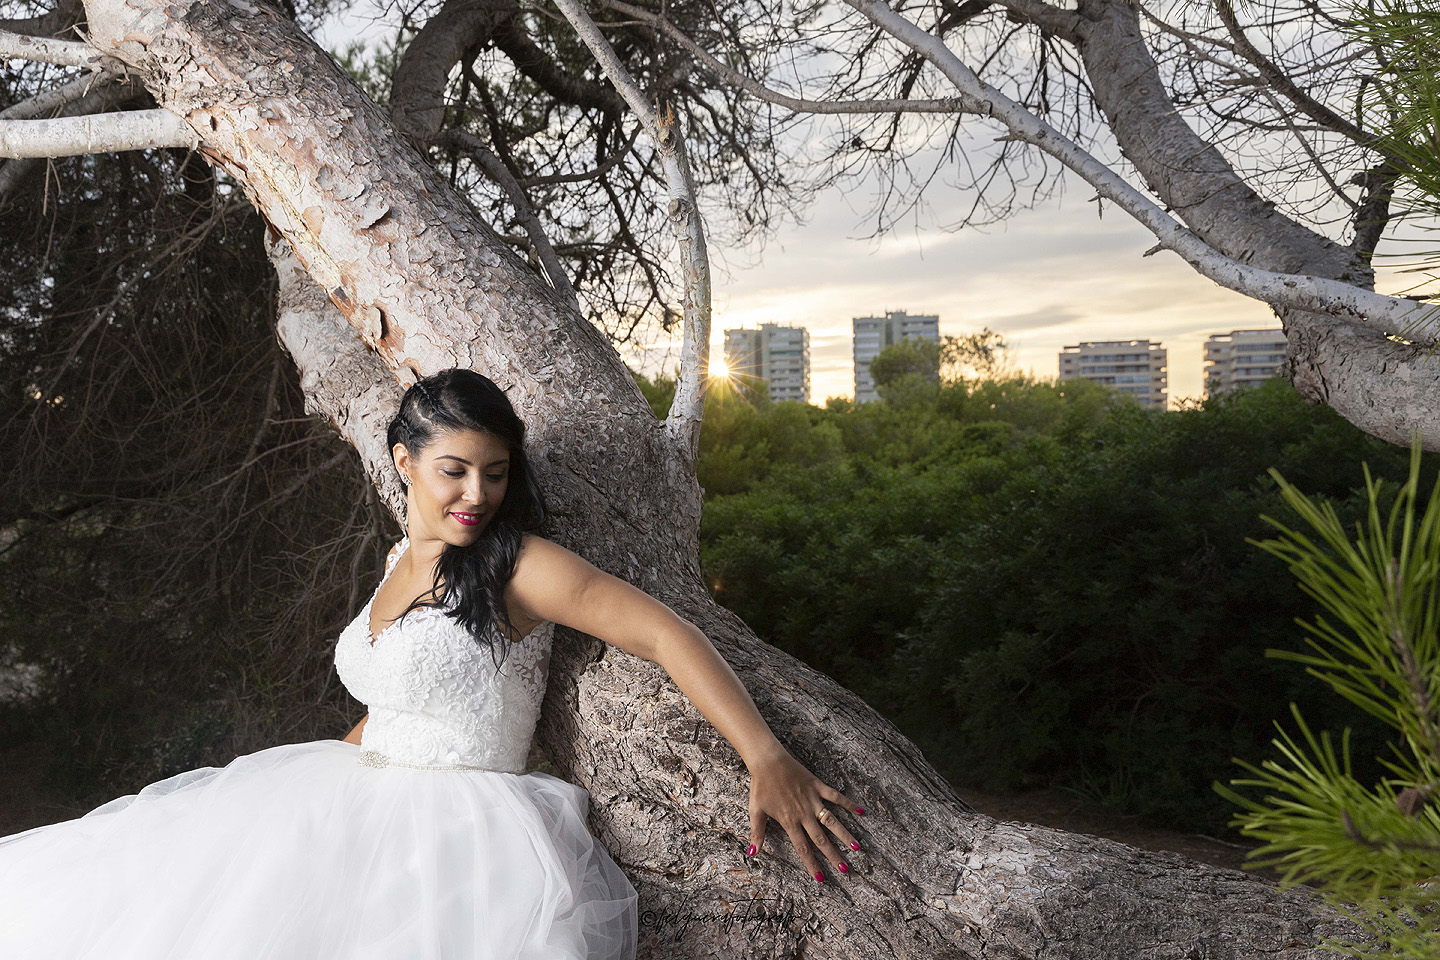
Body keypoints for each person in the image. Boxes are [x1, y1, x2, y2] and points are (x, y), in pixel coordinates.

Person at [0, 367, 867, 958]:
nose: (477, 495)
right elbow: (393, 703)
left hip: (464, 835)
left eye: (495, 472)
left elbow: (665, 633)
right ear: (405, 462)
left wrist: (764, 754)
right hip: (350, 796)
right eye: (455, 471)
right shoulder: (395, 562)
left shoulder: (521, 564)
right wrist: (306, 814)